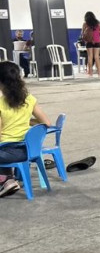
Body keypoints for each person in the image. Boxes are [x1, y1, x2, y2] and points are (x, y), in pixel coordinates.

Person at [0, 62, 52, 198]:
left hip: (8, 153)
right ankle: (8, 179)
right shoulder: (29, 99)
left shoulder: (0, 104)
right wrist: (26, 120)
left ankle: (6, 180)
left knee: (2, 146)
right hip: (30, 150)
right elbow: (46, 123)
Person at [81, 12, 100, 78]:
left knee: (90, 57)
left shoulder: (85, 24)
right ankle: (99, 73)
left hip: (89, 42)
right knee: (97, 57)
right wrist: (97, 32)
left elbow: (82, 33)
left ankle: (90, 73)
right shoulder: (98, 23)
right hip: (97, 41)